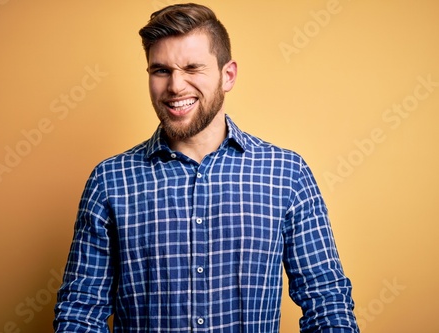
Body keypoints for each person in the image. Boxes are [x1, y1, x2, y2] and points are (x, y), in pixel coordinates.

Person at [54, 3, 359, 332]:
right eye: (161, 70)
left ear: (227, 75)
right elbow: (81, 311)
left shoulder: (287, 174)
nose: (175, 86)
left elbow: (326, 301)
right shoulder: (110, 181)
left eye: (192, 68)